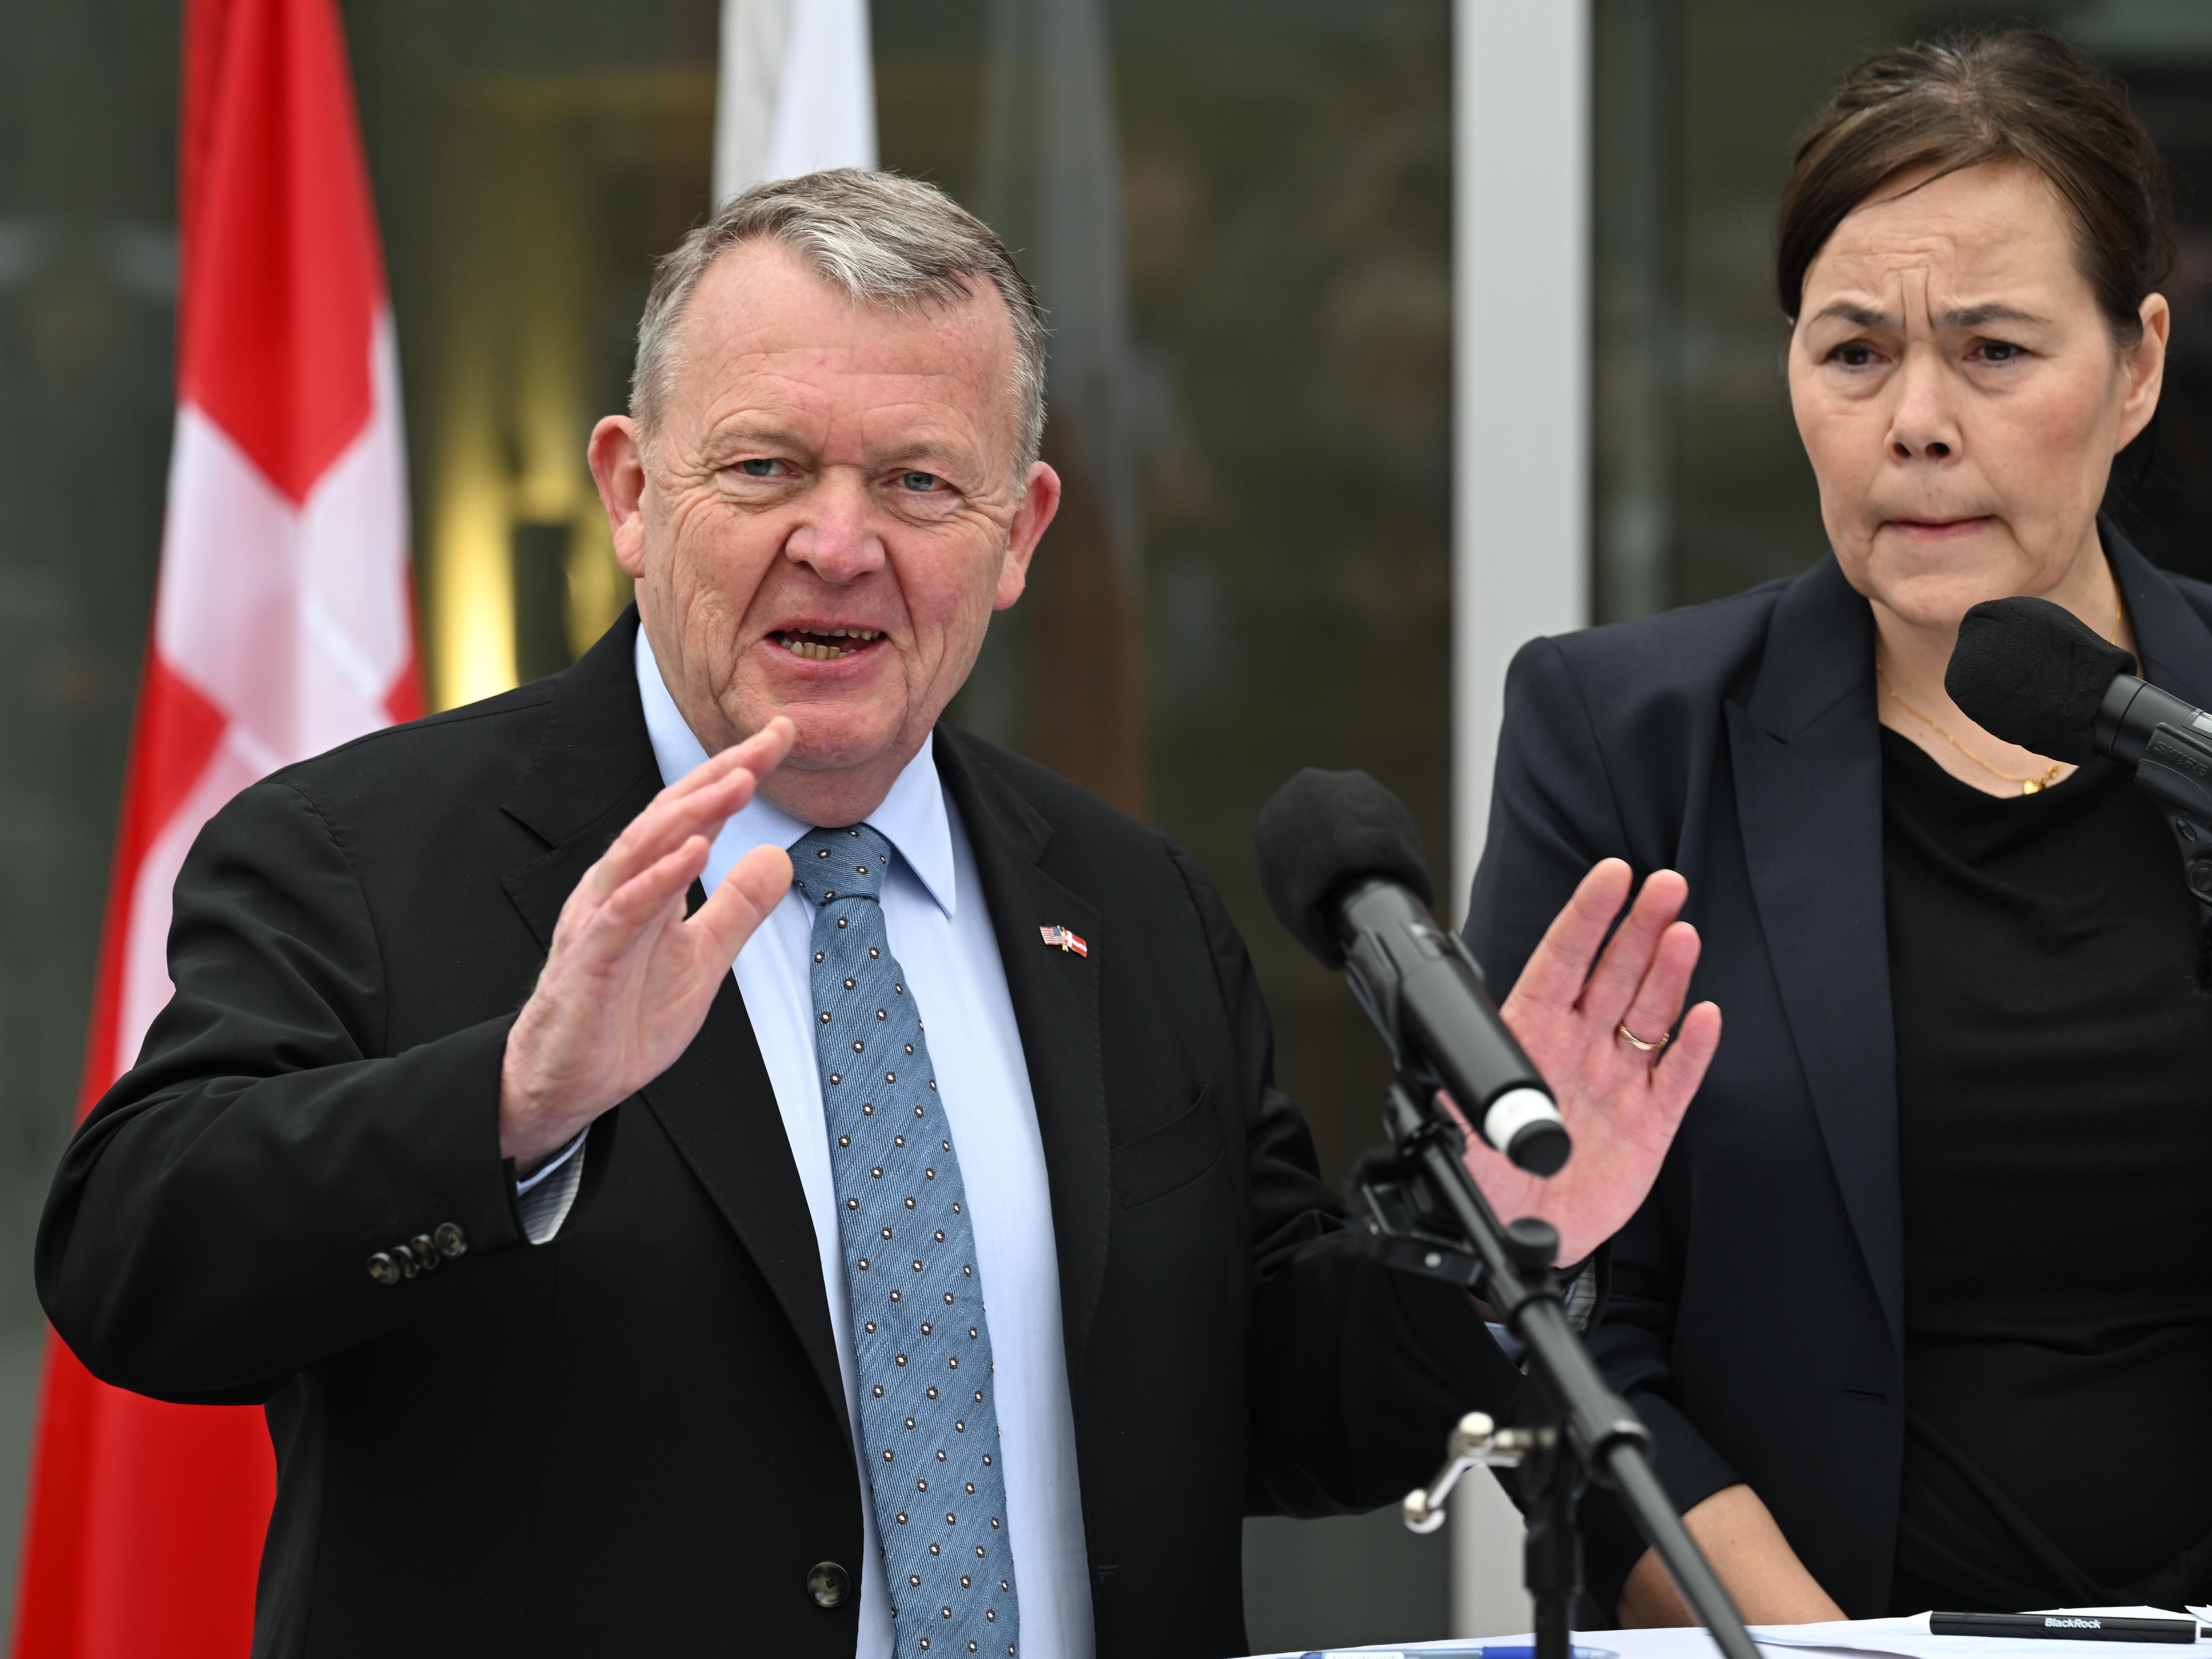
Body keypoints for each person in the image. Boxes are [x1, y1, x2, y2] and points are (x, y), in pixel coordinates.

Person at [39, 170, 1719, 1659]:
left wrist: (1501, 1253)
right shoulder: (360, 851)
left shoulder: (1127, 906)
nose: (838, 546)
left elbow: (1259, 1399)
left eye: (920, 485)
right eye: (765, 467)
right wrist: (512, 1105)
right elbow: (136, 1265)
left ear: (1019, 535)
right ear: (630, 492)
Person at [1467, 23, 2211, 1627]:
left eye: (1998, 352)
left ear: (2138, 365)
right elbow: (1555, 1302)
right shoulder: (1627, 740)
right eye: (1856, 351)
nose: (1918, 424)